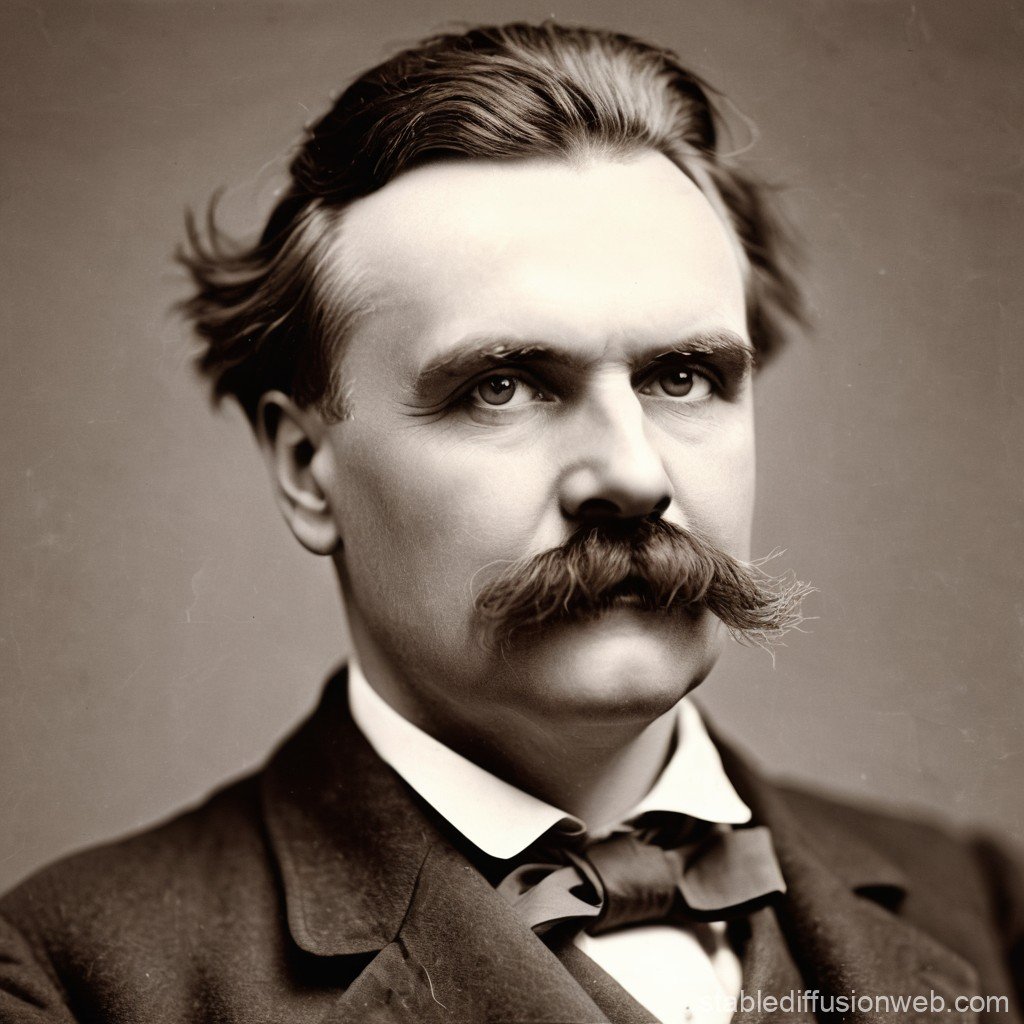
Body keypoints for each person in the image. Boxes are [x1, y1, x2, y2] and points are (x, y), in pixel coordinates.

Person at [0, 21, 1020, 1024]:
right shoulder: (63, 979)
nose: (633, 476)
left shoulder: (988, 907)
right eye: (502, 386)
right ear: (308, 470)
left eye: (682, 376)